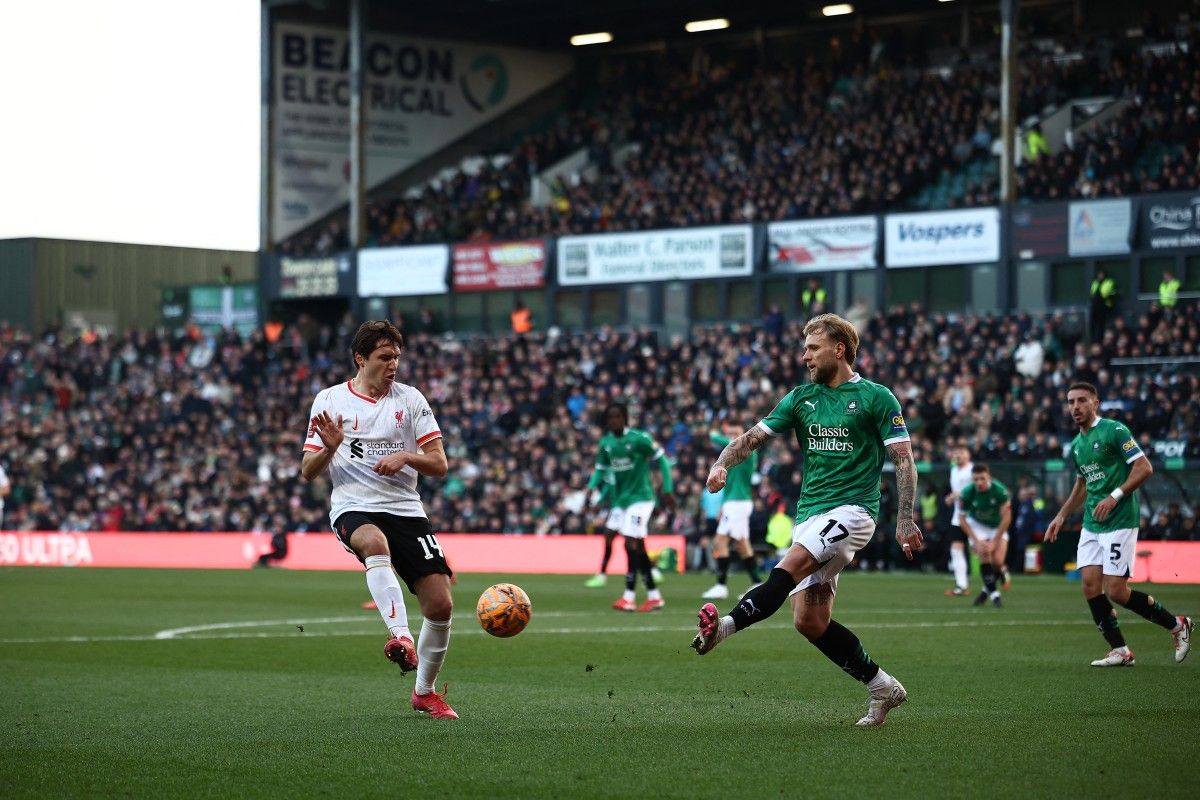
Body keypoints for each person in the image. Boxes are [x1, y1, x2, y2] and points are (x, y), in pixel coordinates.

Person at [691, 313, 924, 727]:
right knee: (809, 621)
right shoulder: (800, 398)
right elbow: (750, 439)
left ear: (839, 349)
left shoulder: (876, 397)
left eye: (812, 348)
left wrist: (904, 518)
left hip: (853, 513)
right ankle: (883, 687)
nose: (805, 357)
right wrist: (721, 463)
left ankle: (724, 626)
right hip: (810, 515)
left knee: (788, 567)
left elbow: (903, 459)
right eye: (804, 349)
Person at [301, 320, 459, 719]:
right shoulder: (330, 401)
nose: (393, 365)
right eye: (384, 357)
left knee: (440, 605)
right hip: (354, 505)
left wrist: (406, 456)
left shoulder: (411, 400)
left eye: (397, 358)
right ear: (360, 358)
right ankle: (400, 637)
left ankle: (424, 692)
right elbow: (308, 469)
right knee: (374, 543)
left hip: (405, 508)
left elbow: (439, 464)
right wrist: (329, 448)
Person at [1044, 381, 1192, 666]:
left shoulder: (1114, 430)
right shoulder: (1076, 445)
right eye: (1071, 401)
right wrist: (1062, 515)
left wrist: (1114, 496)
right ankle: (1120, 651)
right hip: (1091, 522)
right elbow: (1083, 482)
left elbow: (1144, 467)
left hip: (1120, 519)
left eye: (1082, 401)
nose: (1075, 407)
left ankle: (1177, 624)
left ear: (1095, 403)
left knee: (1115, 591)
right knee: (1089, 585)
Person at [583, 402, 676, 612]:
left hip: (642, 498)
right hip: (623, 501)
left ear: (625, 418)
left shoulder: (639, 439)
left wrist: (667, 490)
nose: (614, 421)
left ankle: (629, 596)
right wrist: (590, 488)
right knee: (638, 546)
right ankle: (654, 596)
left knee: (629, 543)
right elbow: (600, 469)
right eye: (610, 418)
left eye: (617, 417)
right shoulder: (606, 443)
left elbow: (662, 461)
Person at [702, 420, 764, 600]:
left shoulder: (747, 450)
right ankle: (756, 583)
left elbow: (721, 440)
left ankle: (722, 585)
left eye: (735, 433)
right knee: (741, 543)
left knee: (721, 541)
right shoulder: (733, 455)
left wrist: (714, 434)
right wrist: (724, 506)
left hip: (738, 503)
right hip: (734, 503)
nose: (732, 437)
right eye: (730, 434)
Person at [958, 463, 1011, 607]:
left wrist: (995, 541)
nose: (979, 482)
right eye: (975, 479)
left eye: (982, 478)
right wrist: (975, 540)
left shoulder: (1000, 491)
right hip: (978, 526)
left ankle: (984, 592)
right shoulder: (967, 493)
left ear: (989, 477)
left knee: (998, 562)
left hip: (997, 527)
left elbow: (1007, 518)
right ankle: (995, 596)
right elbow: (962, 519)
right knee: (984, 553)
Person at [943, 445, 973, 597]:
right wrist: (952, 497)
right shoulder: (954, 470)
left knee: (983, 551)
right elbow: (956, 492)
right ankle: (961, 585)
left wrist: (957, 494)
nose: (958, 455)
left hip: (975, 517)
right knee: (956, 549)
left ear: (968, 454)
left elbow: (976, 488)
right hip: (959, 516)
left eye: (961, 452)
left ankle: (999, 572)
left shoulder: (973, 470)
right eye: (956, 453)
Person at [583, 466, 619, 588]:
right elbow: (609, 487)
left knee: (634, 543)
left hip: (629, 505)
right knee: (608, 539)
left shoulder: (626, 463)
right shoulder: (610, 470)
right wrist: (599, 501)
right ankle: (602, 574)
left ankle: (652, 569)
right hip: (617, 508)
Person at [1089, 269, 1116, 343]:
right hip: (1095, 306)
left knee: (1102, 325)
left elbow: (1105, 294)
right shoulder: (1095, 283)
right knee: (1092, 323)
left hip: (1105, 307)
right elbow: (1092, 294)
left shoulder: (1109, 282)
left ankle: (1100, 340)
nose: (1100, 276)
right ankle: (1092, 340)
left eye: (1102, 274)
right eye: (1099, 274)